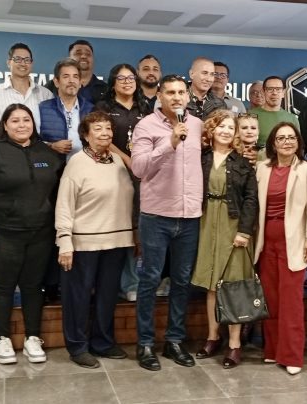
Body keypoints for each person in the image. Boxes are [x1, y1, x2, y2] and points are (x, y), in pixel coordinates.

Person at [0, 104, 63, 365]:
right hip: (3, 233)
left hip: (40, 232)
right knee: (4, 286)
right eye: (15, 121)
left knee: (33, 286)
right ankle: (3, 339)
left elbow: (56, 192)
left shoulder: (46, 153)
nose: (22, 125)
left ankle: (33, 337)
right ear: (5, 125)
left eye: (26, 120)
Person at [131, 75, 203, 371]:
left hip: (189, 217)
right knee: (150, 280)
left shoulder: (197, 125)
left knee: (182, 281)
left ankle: (174, 341)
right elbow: (138, 169)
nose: (176, 97)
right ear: (159, 96)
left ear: (188, 96)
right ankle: (145, 343)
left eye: (181, 92)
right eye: (170, 92)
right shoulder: (146, 126)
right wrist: (169, 143)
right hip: (156, 217)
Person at [55, 111, 135, 368]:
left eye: (108, 128)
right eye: (98, 129)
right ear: (86, 136)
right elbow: (64, 205)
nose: (105, 133)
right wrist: (64, 241)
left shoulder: (117, 160)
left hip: (117, 241)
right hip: (83, 243)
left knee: (107, 296)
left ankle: (102, 342)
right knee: (77, 297)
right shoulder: (76, 163)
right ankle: (77, 346)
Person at [191, 110, 257, 368]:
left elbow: (251, 199)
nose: (226, 131)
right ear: (212, 129)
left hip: (233, 225)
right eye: (222, 126)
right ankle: (212, 337)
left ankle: (234, 344)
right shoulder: (201, 158)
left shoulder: (243, 162)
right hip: (206, 223)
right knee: (212, 285)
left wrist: (244, 231)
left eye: (231, 127)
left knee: (233, 286)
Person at [255, 121, 307, 375]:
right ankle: (272, 350)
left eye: (291, 138)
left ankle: (291, 355)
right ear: (273, 143)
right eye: (281, 138)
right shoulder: (262, 168)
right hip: (265, 241)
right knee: (270, 298)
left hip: (294, 241)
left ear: (298, 142)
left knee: (291, 300)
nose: (286, 142)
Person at [95, 63, 151, 301]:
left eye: (131, 78)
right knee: (114, 226)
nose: (127, 82)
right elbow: (101, 138)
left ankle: (131, 283)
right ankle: (107, 283)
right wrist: (127, 159)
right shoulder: (104, 107)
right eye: (121, 78)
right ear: (113, 82)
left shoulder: (144, 107)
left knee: (135, 226)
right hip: (113, 170)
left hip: (142, 175)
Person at [0, 43, 53, 134]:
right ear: (9, 63)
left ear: (31, 63)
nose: (23, 63)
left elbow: (51, 129)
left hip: (40, 143)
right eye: (18, 59)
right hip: (4, 144)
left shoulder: (46, 94)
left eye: (27, 60)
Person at [40, 58, 94, 158]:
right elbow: (31, 141)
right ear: (56, 82)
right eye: (66, 76)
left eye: (75, 76)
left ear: (80, 82)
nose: (71, 81)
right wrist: (51, 146)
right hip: (52, 164)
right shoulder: (42, 109)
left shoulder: (91, 110)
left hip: (84, 164)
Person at [45, 40, 108, 104]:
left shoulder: (105, 89)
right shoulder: (52, 86)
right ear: (69, 58)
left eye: (88, 54)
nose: (83, 56)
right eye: (78, 53)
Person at [249, 75, 300, 147]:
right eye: (270, 89)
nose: (274, 93)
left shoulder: (292, 119)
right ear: (263, 92)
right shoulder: (250, 116)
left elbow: (297, 146)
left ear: (283, 93)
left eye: (278, 89)